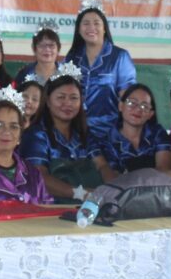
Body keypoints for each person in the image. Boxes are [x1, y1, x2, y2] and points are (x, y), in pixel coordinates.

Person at [20, 63, 108, 202]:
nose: (68, 103)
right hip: (53, 206)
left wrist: (113, 190)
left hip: (91, 203)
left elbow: (102, 165)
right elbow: (39, 176)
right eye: (61, 97)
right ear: (48, 101)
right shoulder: (36, 135)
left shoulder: (84, 134)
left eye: (74, 98)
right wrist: (81, 194)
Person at [63, 2, 136, 138]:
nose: (91, 27)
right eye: (86, 23)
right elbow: (61, 91)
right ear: (78, 29)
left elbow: (128, 96)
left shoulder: (120, 57)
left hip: (110, 133)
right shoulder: (72, 57)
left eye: (96, 23)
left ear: (104, 28)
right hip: (76, 132)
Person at [91, 84, 171, 174]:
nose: (138, 109)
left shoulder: (157, 133)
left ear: (150, 114)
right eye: (132, 103)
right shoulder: (107, 143)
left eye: (144, 106)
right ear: (121, 106)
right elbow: (115, 178)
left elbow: (165, 171)